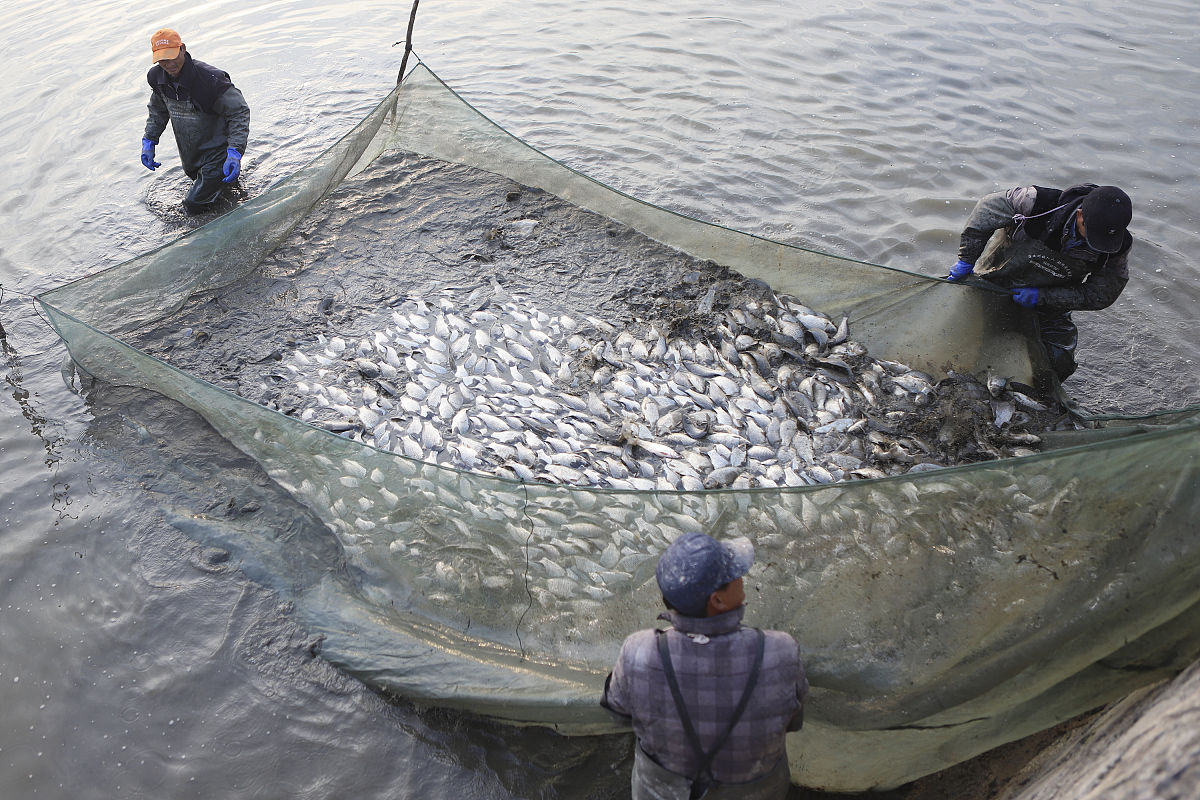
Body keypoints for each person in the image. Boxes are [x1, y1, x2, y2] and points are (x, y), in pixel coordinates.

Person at [601, 532, 808, 799]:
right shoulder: (780, 651)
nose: (741, 577)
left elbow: (618, 713)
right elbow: (793, 720)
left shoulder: (639, 651)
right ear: (718, 601)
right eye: (734, 575)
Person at [946, 183, 1133, 382]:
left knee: (1058, 363)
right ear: (1080, 216)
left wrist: (1042, 297)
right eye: (1094, 235)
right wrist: (966, 259)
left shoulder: (1117, 248)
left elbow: (1099, 296)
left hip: (1049, 302)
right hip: (995, 282)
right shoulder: (1034, 202)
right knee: (968, 339)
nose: (1097, 244)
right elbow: (984, 211)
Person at [140, 28, 250, 214]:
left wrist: (234, 152)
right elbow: (158, 111)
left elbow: (239, 112)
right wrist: (149, 141)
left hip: (218, 155)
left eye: (172, 56)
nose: (168, 64)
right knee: (220, 195)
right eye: (162, 59)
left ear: (182, 49)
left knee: (193, 205)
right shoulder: (157, 78)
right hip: (191, 156)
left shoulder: (210, 80)